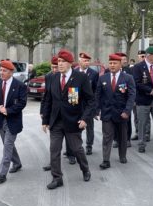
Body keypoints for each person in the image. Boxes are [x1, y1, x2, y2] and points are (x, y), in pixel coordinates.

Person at [42, 49, 94, 190]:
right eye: (59, 61)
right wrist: (45, 120)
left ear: (70, 63)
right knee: (54, 150)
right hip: (56, 122)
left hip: (73, 121)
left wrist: (85, 119)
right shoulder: (53, 78)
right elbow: (48, 100)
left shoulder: (81, 78)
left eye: (63, 61)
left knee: (77, 149)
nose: (60, 64)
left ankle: (85, 169)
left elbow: (91, 101)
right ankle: (57, 178)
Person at [0, 60, 28, 183]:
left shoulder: (20, 85)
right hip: (0, 120)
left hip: (13, 120)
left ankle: (2, 173)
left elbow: (22, 103)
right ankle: (17, 163)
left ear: (11, 72)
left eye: (4, 71)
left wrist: (8, 110)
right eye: (0, 70)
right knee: (8, 145)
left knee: (7, 146)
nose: (1, 73)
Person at [95, 54, 136, 169]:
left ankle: (122, 155)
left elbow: (131, 96)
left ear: (120, 64)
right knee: (107, 137)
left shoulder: (128, 78)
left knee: (122, 136)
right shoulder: (103, 78)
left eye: (115, 63)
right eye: (110, 63)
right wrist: (96, 110)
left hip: (122, 113)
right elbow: (98, 95)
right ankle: (106, 160)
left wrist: (127, 111)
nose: (112, 65)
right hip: (107, 113)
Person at [77, 52, 99, 155]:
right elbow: (72, 89)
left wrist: (95, 109)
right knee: (76, 127)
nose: (87, 63)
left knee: (89, 127)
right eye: (85, 61)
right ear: (79, 61)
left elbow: (96, 92)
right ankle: (76, 146)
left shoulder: (93, 74)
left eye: (88, 61)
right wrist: (72, 105)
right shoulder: (74, 72)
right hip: (76, 105)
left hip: (88, 106)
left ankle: (89, 146)